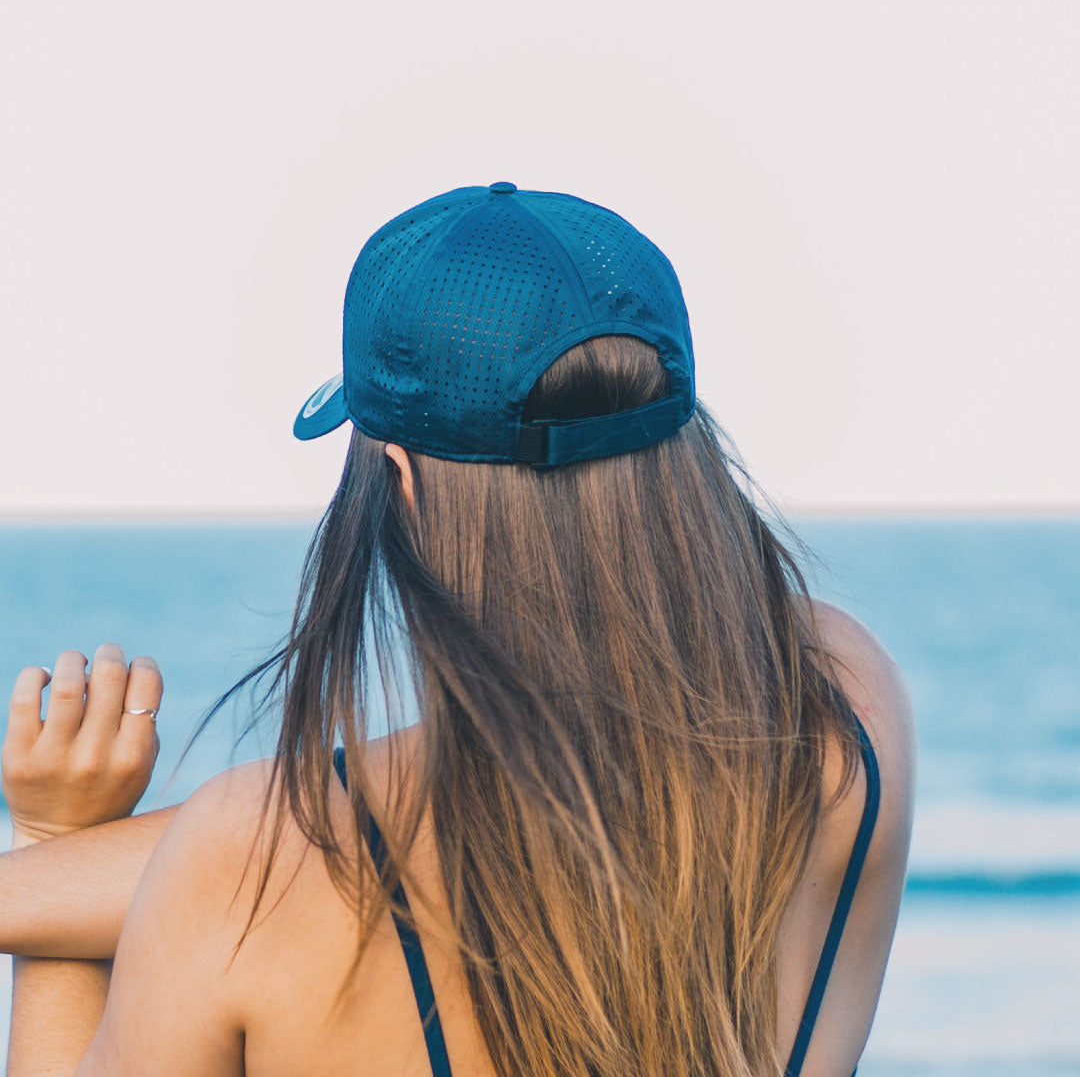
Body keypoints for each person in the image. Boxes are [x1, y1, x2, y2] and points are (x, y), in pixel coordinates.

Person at [0, 181, 916, 1077]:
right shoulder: (842, 704)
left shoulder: (251, 863)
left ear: (397, 477)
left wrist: (51, 834)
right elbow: (579, 783)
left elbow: (262, 862)